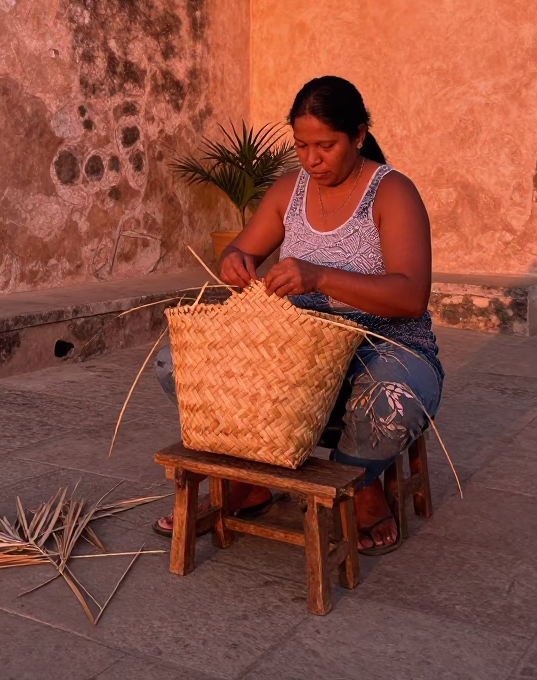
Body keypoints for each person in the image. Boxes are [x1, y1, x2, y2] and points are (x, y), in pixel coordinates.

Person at [154, 75, 443, 554]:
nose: (311, 159)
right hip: (297, 347)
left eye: (326, 146)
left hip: (384, 344)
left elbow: (411, 295)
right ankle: (256, 477)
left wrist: (320, 276)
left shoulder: (392, 193)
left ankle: (360, 480)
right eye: (301, 145)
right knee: (176, 364)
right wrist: (237, 263)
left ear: (359, 133)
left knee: (390, 402)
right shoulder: (289, 191)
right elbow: (242, 251)